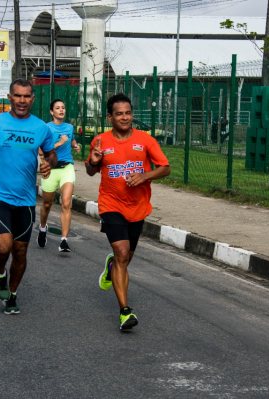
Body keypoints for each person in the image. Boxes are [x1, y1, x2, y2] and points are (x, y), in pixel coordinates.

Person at [0, 78, 57, 315]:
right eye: (17, 96)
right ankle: (0, 275)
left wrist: (49, 163)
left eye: (26, 96)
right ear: (8, 97)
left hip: (26, 200)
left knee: (20, 252)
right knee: (3, 247)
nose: (22, 101)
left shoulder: (41, 127)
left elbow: (51, 154)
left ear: (33, 99)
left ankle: (12, 294)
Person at [86, 93, 171, 331]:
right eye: (119, 113)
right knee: (122, 253)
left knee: (125, 259)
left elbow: (165, 168)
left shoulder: (145, 140)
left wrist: (145, 175)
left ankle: (112, 265)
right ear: (110, 117)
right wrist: (93, 161)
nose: (125, 117)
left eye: (128, 113)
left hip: (138, 207)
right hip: (111, 204)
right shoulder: (100, 141)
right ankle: (125, 311)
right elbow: (91, 171)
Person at [37, 99, 81, 252]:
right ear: (51, 112)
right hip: (50, 168)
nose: (61, 110)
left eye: (63, 107)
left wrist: (75, 145)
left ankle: (63, 241)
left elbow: (71, 138)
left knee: (66, 203)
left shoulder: (69, 127)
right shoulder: (46, 128)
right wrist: (59, 143)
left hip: (67, 167)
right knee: (47, 204)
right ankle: (43, 228)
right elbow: (41, 151)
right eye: (57, 108)